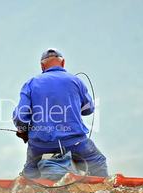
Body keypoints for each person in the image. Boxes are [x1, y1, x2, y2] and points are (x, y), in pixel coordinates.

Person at [13, 48, 108, 179]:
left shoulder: (31, 83)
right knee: (98, 162)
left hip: (40, 146)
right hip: (75, 144)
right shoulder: (76, 81)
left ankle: (27, 187)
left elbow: (20, 117)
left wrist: (23, 131)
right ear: (63, 63)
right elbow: (89, 109)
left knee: (30, 173)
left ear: (42, 66)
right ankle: (101, 190)